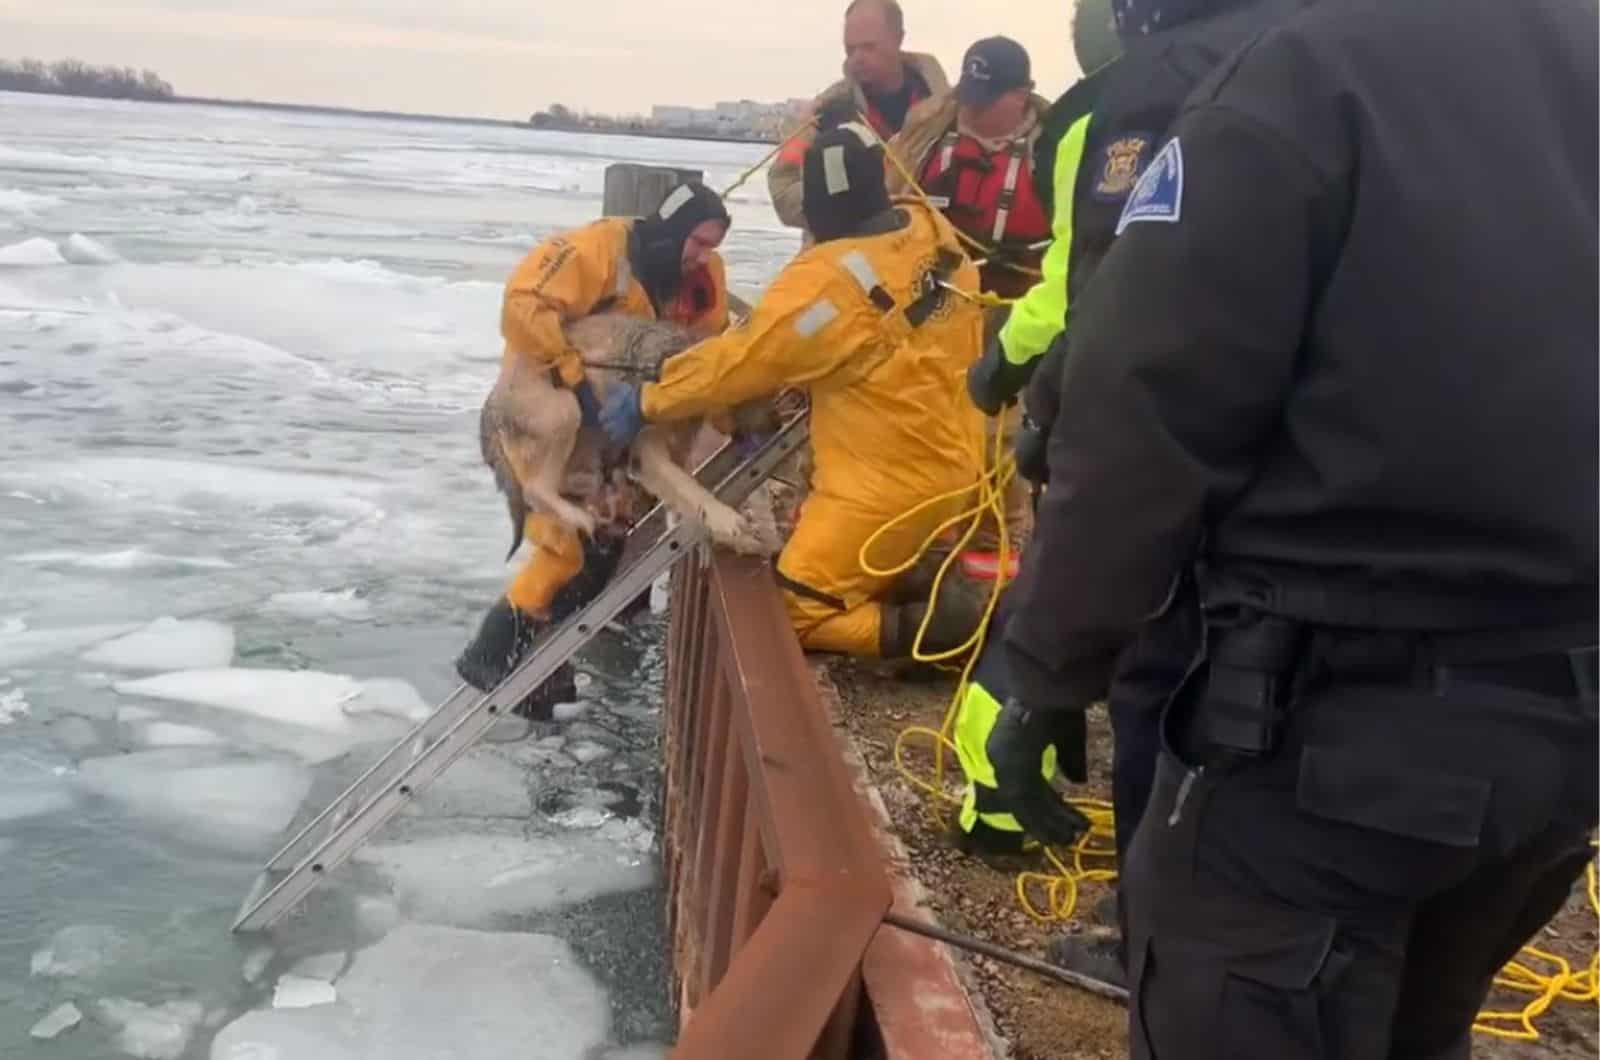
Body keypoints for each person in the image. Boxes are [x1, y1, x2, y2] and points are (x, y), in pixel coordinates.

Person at [988, 0, 1598, 1049]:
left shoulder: (1299, 81)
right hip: (1558, 735)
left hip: (1327, 744)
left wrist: (1047, 667)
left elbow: (1144, 415)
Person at [957, 0, 1310, 987]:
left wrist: (1041, 403)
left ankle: (1143, 930)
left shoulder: (1136, 96)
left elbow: (1115, 295)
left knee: (1163, 674)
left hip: (1193, 443)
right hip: (1361, 477)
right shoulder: (1358, 57)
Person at [601, 123, 989, 659]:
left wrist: (649, 397)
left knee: (790, 613)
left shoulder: (828, 284)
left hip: (883, 492)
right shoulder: (934, 236)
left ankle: (944, 634)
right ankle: (921, 581)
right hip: (961, 469)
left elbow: (743, 360)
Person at [454, 182, 733, 717]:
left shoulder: (704, 278)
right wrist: (572, 376)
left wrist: (718, 415)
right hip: (554, 401)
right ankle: (493, 654)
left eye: (712, 246)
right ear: (672, 230)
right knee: (569, 540)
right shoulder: (595, 251)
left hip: (625, 420)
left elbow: (707, 352)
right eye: (697, 242)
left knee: (606, 537)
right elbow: (522, 305)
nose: (703, 256)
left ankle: (543, 667)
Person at [768, 0, 948, 235]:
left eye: (869, 47)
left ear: (898, 39)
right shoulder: (821, 115)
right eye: (850, 49)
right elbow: (784, 195)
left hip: (930, 256)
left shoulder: (950, 111)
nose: (858, 58)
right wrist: (848, 201)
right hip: (847, 257)